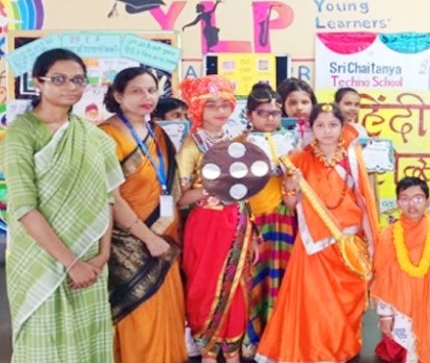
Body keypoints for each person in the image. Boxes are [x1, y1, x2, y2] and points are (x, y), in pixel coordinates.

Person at [4, 48, 124, 362]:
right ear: (38, 82)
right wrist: (72, 263)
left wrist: (103, 254)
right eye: (59, 79)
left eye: (78, 80)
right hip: (41, 259)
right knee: (44, 346)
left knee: (88, 344)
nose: (70, 86)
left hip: (90, 260)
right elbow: (24, 207)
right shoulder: (21, 133)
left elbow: (106, 197)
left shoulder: (91, 135)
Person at [255, 103, 380, 362]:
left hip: (348, 241)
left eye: (333, 125)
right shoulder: (300, 159)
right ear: (311, 128)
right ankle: (315, 351)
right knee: (315, 303)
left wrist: (370, 241)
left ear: (342, 127)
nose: (327, 131)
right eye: (320, 125)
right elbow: (291, 204)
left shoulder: (351, 157)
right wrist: (291, 186)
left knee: (348, 300)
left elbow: (363, 202)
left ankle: (342, 348)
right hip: (314, 243)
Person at [98, 67, 187, 363]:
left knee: (168, 315)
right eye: (136, 91)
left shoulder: (158, 133)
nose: (146, 97)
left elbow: (172, 185)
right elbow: (111, 197)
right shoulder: (106, 136)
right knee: (139, 318)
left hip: (166, 239)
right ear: (118, 95)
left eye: (151, 90)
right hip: (129, 244)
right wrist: (148, 238)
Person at [177, 75, 251, 363]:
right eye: (211, 105)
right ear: (198, 109)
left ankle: (232, 353)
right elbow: (181, 198)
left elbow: (245, 191)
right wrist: (214, 185)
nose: (220, 111)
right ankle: (208, 351)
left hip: (238, 222)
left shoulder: (236, 141)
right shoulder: (190, 147)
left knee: (238, 287)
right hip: (206, 227)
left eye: (225, 105)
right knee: (204, 288)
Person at [241, 82, 298, 357]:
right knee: (255, 278)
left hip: (285, 215)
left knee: (284, 277)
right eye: (262, 113)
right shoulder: (240, 144)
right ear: (250, 115)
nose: (269, 118)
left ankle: (279, 336)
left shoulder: (291, 141)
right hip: (253, 218)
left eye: (275, 113)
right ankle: (252, 336)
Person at [372, 176, 430, 363]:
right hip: (400, 306)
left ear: (428, 201)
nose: (411, 204)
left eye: (418, 198)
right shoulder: (388, 235)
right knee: (402, 350)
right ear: (397, 202)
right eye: (405, 198)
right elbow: (382, 278)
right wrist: (385, 315)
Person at [277, 77, 317, 146]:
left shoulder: (321, 129)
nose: (299, 107)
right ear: (282, 105)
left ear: (313, 104)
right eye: (293, 103)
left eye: (304, 102)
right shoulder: (275, 132)